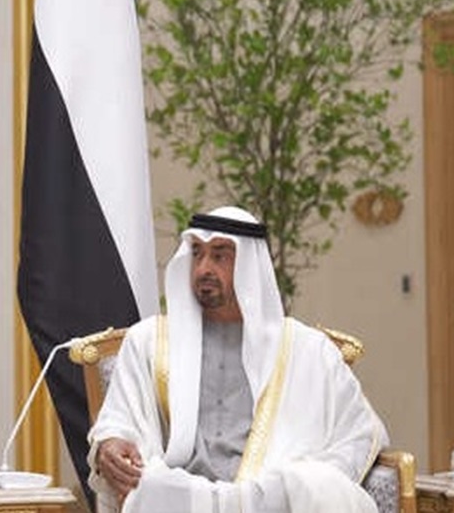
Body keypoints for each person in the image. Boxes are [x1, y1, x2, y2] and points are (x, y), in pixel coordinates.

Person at [88, 207, 388, 513]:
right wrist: (110, 443)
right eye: (197, 254)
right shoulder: (150, 341)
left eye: (220, 256)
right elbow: (119, 418)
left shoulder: (308, 349)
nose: (203, 268)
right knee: (152, 487)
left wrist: (315, 482)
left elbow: (360, 431)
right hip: (178, 495)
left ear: (250, 266)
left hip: (269, 500)